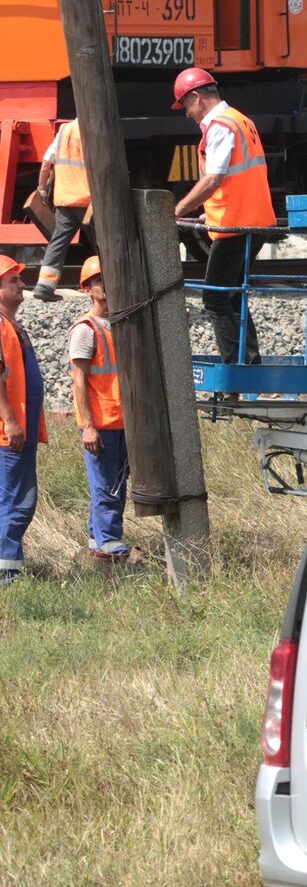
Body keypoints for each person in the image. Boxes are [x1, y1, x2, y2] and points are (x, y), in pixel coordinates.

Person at [171, 67, 276, 366]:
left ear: (196, 97)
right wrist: (208, 212)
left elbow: (214, 179)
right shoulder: (241, 120)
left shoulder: (219, 126)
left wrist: (177, 210)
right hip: (252, 221)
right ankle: (249, 364)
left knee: (215, 298)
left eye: (185, 105)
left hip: (236, 226)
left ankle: (235, 371)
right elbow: (234, 181)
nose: (186, 113)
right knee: (233, 296)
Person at [68, 256, 129, 561]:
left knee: (116, 485)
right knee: (106, 487)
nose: (105, 285)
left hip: (121, 422)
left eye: (108, 278)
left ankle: (97, 537)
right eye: (99, 280)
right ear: (87, 289)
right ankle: (108, 540)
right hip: (101, 424)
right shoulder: (85, 330)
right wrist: (88, 426)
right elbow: (79, 382)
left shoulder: (119, 325)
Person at [0, 254, 45, 585]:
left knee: (19, 498)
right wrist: (10, 420)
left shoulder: (12, 325)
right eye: (12, 280)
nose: (22, 284)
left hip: (20, 429)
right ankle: (6, 573)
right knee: (14, 500)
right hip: (9, 432)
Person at [32, 117, 94, 302]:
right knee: (103, 244)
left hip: (64, 199)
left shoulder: (64, 130)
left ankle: (44, 286)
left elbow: (46, 162)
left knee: (58, 241)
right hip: (87, 200)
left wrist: (42, 188)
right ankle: (109, 284)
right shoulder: (93, 126)